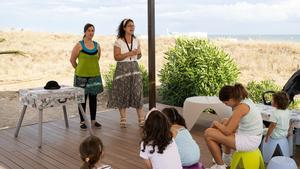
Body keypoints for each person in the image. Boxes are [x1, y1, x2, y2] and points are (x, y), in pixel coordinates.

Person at [204, 83, 263, 169]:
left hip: (250, 141)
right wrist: (221, 126)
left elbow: (227, 131)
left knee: (208, 134)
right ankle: (226, 159)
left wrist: (215, 123)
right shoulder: (244, 100)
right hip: (251, 136)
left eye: (226, 103)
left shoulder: (241, 108)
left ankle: (220, 166)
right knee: (224, 121)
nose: (226, 105)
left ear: (231, 99)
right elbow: (230, 124)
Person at [108, 18, 144, 128]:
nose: (132, 27)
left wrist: (137, 54)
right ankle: (123, 119)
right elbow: (116, 57)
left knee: (137, 92)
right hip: (122, 69)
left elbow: (139, 55)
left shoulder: (136, 40)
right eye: (129, 26)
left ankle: (141, 119)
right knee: (122, 92)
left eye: (133, 25)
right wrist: (129, 53)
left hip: (134, 67)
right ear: (124, 28)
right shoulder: (118, 41)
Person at [70, 23, 103, 130]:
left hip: (95, 76)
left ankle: (93, 121)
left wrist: (90, 69)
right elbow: (72, 60)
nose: (91, 32)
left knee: (93, 99)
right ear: (84, 32)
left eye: (92, 30)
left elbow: (97, 59)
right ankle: (82, 121)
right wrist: (80, 70)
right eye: (89, 30)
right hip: (81, 77)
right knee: (82, 99)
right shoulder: (79, 45)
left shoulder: (97, 45)